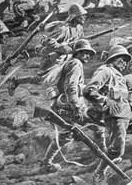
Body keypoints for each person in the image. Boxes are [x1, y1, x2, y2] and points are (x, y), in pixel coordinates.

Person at [84, 45, 132, 183]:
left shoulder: (119, 75)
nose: (125, 63)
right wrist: (105, 101)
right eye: (122, 59)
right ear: (114, 58)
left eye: (126, 60)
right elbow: (89, 91)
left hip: (128, 113)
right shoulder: (105, 71)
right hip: (115, 115)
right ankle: (99, 173)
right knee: (117, 150)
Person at [40, 40, 105, 173]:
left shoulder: (70, 62)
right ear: (77, 53)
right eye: (84, 53)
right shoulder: (76, 63)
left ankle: (46, 163)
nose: (87, 56)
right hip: (70, 105)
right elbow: (70, 87)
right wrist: (76, 107)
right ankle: (105, 156)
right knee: (97, 126)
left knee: (66, 134)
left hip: (64, 103)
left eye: (88, 53)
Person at [7, 3, 88, 95]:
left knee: (65, 79)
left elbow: (80, 42)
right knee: (41, 80)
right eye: (82, 15)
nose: (85, 17)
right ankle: (16, 81)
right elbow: (49, 42)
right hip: (54, 59)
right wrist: (62, 47)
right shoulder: (63, 28)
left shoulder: (79, 28)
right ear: (75, 16)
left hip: (68, 58)